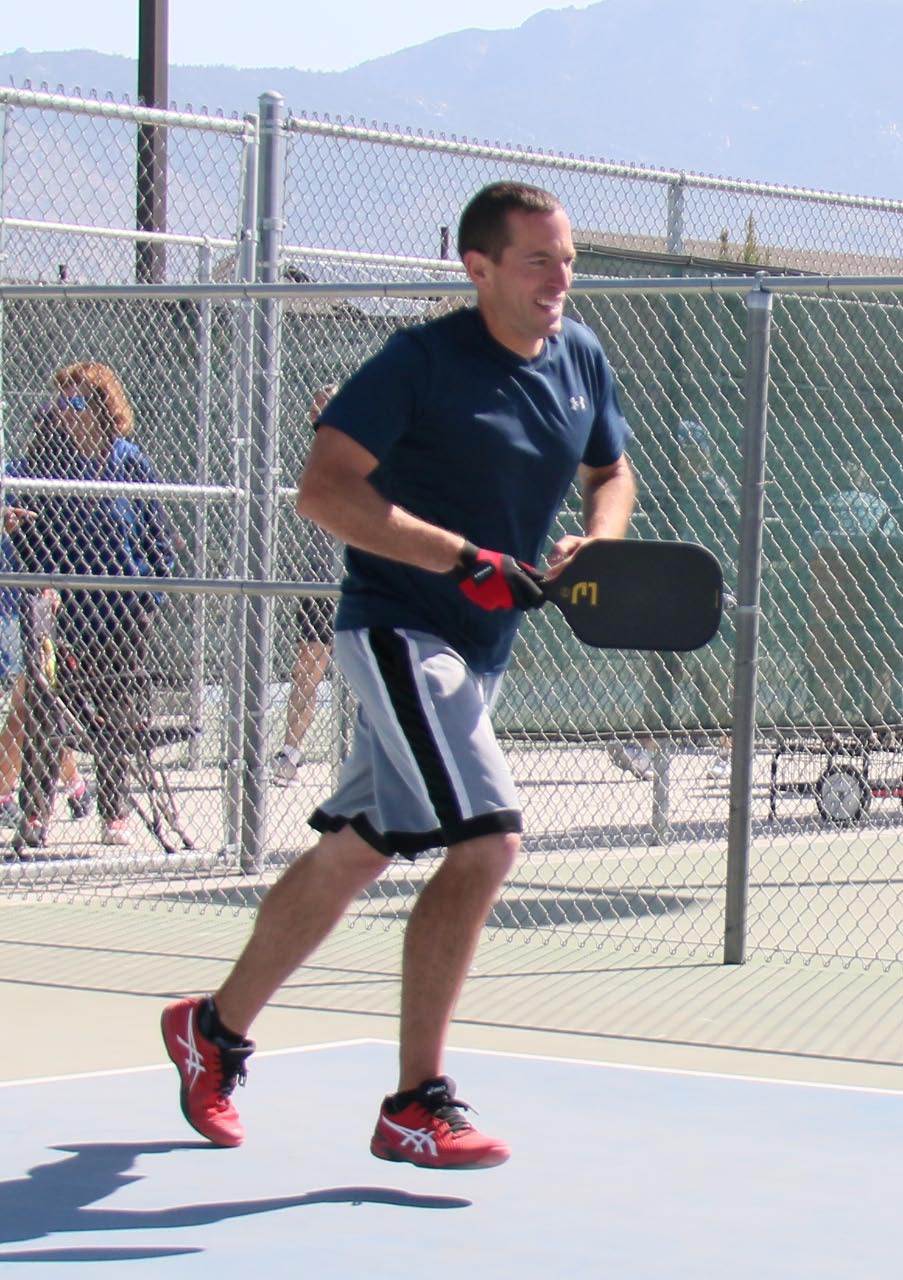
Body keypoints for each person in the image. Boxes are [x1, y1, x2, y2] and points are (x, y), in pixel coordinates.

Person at [161, 182, 635, 1169]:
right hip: (402, 635)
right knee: (488, 843)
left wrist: (596, 537)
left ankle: (213, 1028)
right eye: (538, 260)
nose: (559, 279)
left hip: (484, 649)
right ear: (480, 268)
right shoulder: (417, 362)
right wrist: (460, 558)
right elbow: (323, 490)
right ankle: (416, 1103)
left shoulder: (580, 357)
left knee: (357, 851)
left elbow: (611, 472)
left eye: (567, 260)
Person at [6, 364, 175, 851]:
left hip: (120, 612)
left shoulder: (129, 461)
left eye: (76, 402)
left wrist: (147, 598)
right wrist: (11, 522)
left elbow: (158, 540)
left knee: (117, 713)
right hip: (62, 613)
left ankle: (115, 815)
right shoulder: (45, 461)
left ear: (103, 407)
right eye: (61, 402)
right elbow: (18, 508)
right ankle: (35, 815)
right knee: (44, 712)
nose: (65, 412)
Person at [271, 384, 340, 784]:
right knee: (306, 669)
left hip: (362, 580)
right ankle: (291, 753)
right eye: (314, 407)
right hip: (319, 579)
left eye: (324, 406)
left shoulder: (370, 450)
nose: (315, 413)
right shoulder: (318, 452)